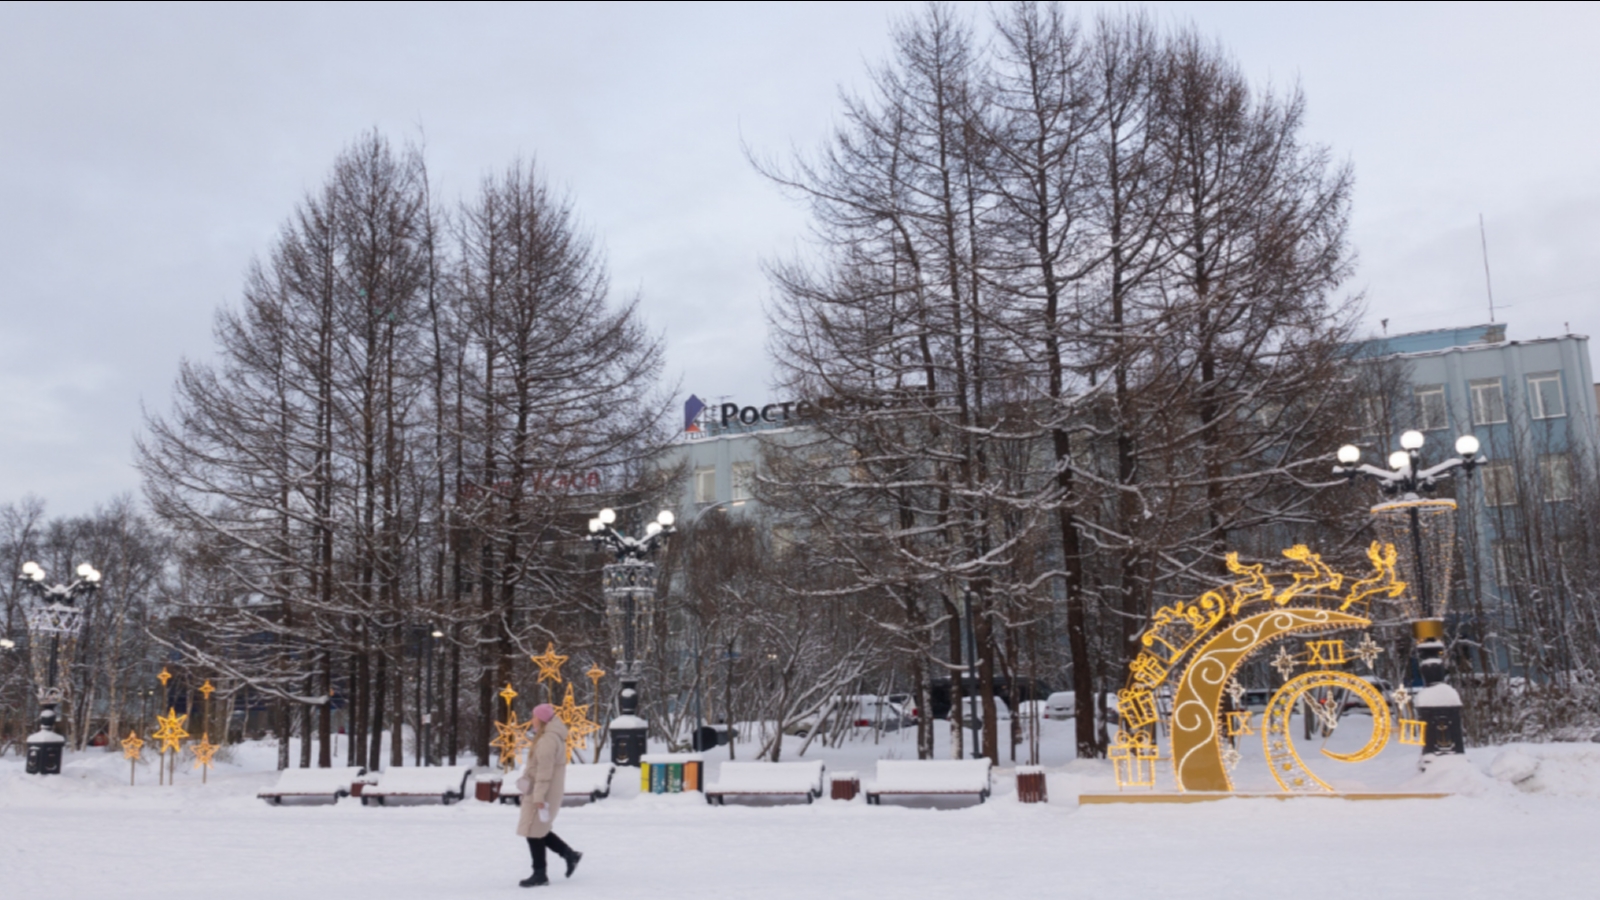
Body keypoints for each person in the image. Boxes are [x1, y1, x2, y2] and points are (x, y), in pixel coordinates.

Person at [515, 703, 582, 887]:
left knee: (533, 831)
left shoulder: (547, 740)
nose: (531, 720)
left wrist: (538, 797)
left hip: (542, 791)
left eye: (534, 716)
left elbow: (544, 773)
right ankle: (569, 854)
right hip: (542, 790)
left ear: (542, 719)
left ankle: (540, 873)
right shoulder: (549, 737)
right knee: (536, 830)